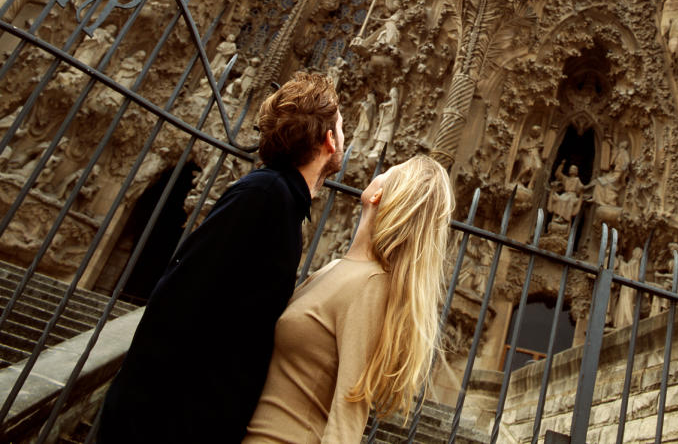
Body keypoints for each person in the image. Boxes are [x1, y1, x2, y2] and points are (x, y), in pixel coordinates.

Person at [97, 71, 344, 444]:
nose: (345, 139)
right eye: (342, 129)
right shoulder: (264, 196)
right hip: (168, 424)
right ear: (328, 140)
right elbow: (178, 300)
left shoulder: (281, 202)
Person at [243, 153, 454, 444]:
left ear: (379, 194)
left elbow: (349, 415)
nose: (379, 170)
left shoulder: (371, 285)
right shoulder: (336, 269)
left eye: (390, 169)